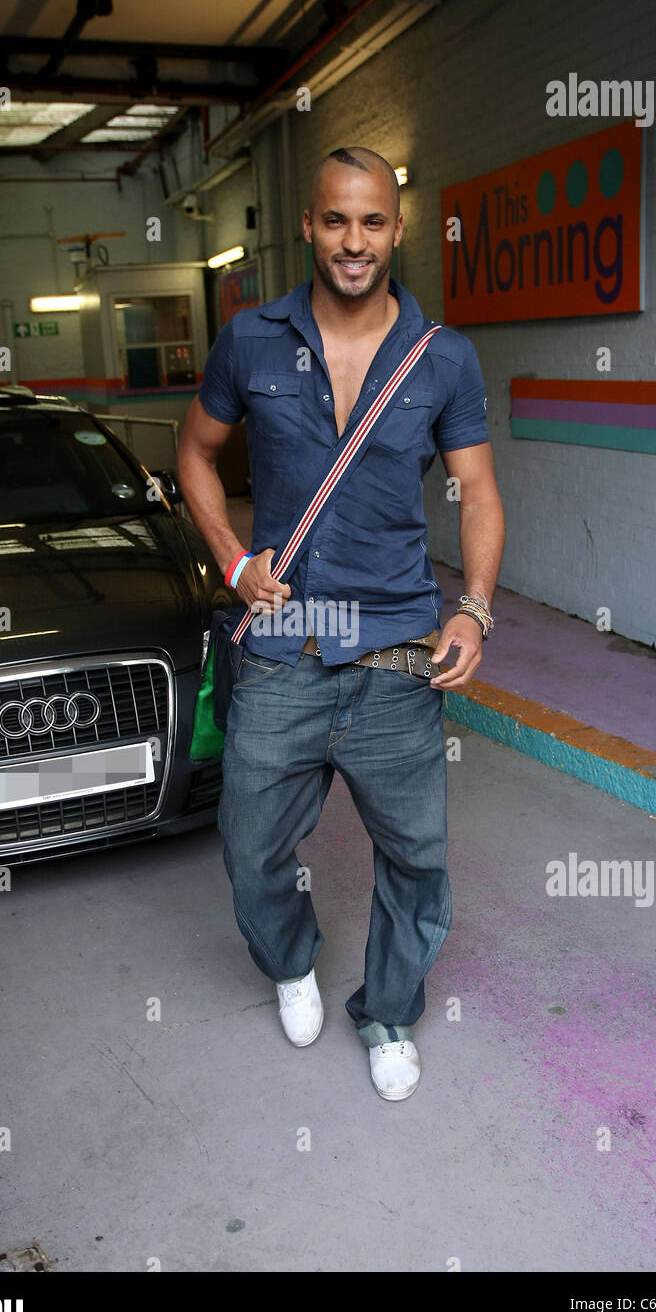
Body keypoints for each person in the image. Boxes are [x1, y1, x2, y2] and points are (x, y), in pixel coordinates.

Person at [178, 146, 506, 1101]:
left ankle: (390, 1011)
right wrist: (232, 560)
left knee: (416, 857)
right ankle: (289, 961)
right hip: (282, 652)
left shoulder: (444, 356)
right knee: (249, 850)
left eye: (372, 223)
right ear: (308, 226)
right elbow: (193, 453)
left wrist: (475, 609)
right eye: (335, 221)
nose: (353, 242)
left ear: (397, 231)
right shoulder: (250, 340)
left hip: (399, 652)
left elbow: (478, 490)